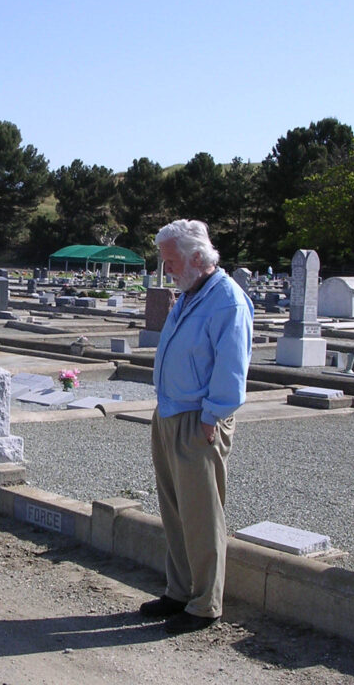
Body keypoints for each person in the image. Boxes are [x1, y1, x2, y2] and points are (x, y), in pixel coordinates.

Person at [140, 219, 254, 634]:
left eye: (170, 262)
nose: (167, 271)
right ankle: (180, 589)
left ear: (195, 258)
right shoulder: (190, 293)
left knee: (202, 513)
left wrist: (213, 415)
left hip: (199, 419)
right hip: (170, 412)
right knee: (174, 509)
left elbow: (231, 365)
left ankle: (205, 603)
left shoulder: (227, 301)